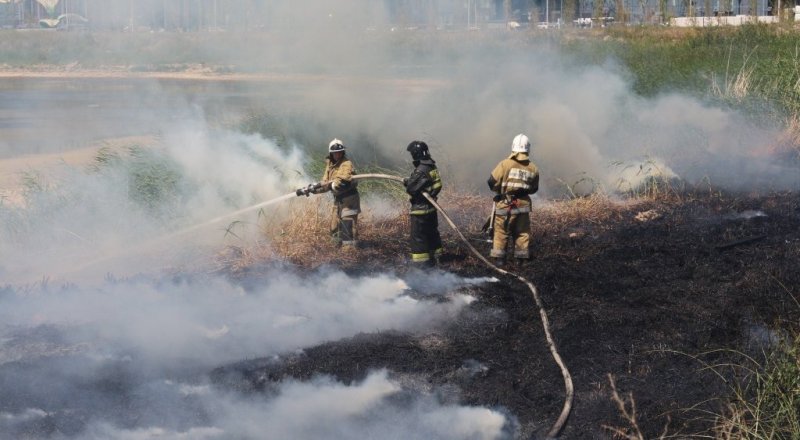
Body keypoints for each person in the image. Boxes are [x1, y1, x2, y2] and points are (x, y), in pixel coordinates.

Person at [487, 133, 539, 265]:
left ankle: (499, 260)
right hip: (523, 205)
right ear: (528, 148)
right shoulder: (533, 168)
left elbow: (491, 182)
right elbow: (534, 189)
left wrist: (500, 191)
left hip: (505, 204)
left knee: (501, 232)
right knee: (522, 232)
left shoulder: (505, 164)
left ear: (513, 147)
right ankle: (521, 260)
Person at [297, 138, 360, 247]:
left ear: (343, 152)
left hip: (349, 199)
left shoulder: (346, 163)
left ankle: (349, 252)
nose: (338, 155)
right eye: (335, 153)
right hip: (339, 199)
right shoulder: (330, 165)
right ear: (331, 154)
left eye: (340, 152)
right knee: (334, 227)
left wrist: (333, 185)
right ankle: (336, 250)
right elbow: (325, 184)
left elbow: (342, 181)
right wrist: (312, 189)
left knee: (347, 225)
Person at [403, 140, 443, 268]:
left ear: (416, 154)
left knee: (418, 237)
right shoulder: (432, 166)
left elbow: (412, 188)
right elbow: (429, 183)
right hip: (431, 207)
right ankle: (436, 257)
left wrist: (408, 182)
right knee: (432, 233)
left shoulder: (421, 169)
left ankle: (421, 264)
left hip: (420, 209)